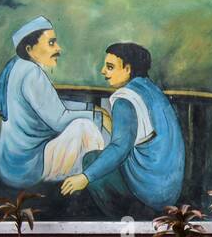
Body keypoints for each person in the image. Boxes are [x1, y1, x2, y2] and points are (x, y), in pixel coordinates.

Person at [59, 43, 184, 214]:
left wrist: (84, 177)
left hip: (149, 193)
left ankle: (122, 218)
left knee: (91, 159)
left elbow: (120, 148)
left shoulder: (125, 100)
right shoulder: (150, 89)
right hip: (169, 189)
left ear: (128, 69)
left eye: (110, 67)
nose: (103, 71)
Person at [0, 16, 105, 189]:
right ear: (30, 49)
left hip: (11, 164)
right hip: (28, 167)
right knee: (85, 126)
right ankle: (98, 184)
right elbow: (59, 120)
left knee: (87, 120)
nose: (58, 48)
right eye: (51, 43)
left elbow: (53, 105)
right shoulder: (31, 73)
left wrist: (91, 108)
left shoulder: (17, 66)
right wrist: (98, 115)